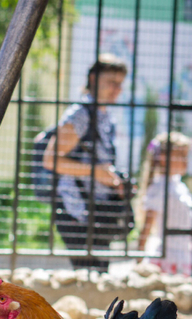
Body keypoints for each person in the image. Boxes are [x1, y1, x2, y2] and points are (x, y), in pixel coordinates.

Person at [43, 53, 129, 270]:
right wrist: (96, 172)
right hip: (76, 211)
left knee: (98, 274)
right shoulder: (80, 114)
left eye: (120, 83)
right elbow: (51, 160)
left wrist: (116, 181)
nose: (117, 89)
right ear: (93, 79)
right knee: (89, 275)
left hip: (98, 211)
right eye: (111, 82)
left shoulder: (106, 116)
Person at [138, 131, 192, 277]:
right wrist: (138, 260)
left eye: (186, 156)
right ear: (164, 158)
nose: (186, 161)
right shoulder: (160, 187)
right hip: (168, 259)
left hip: (184, 257)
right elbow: (147, 226)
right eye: (180, 156)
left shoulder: (178, 185)